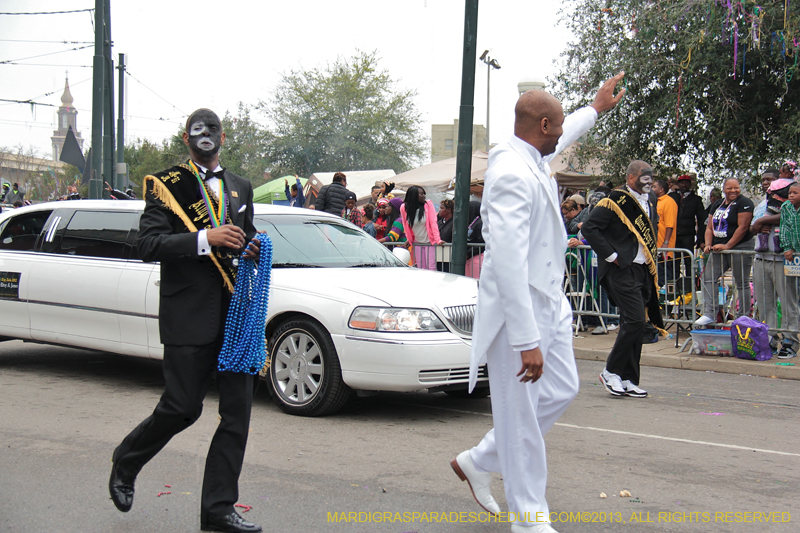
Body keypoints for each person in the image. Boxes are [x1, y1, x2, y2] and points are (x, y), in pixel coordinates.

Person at [451, 72, 625, 533]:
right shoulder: (509, 171)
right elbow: (506, 262)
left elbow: (564, 135)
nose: (562, 133)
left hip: (550, 301)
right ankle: (529, 519)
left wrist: (595, 109)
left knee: (562, 388)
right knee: (521, 418)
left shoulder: (532, 151)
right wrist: (526, 339)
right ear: (543, 125)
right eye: (558, 124)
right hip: (518, 313)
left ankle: (480, 459)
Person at [108, 108, 262, 533]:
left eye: (212, 129)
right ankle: (126, 460)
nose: (205, 134)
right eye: (198, 130)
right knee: (182, 408)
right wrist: (204, 238)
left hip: (235, 318)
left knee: (237, 415)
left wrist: (250, 246)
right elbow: (148, 244)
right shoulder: (165, 185)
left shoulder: (240, 186)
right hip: (188, 315)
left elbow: (244, 235)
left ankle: (218, 509)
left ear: (223, 137)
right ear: (186, 138)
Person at [582, 160, 661, 398]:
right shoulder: (614, 200)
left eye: (650, 178)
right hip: (621, 269)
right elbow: (590, 228)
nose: (648, 182)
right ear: (631, 178)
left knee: (635, 324)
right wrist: (612, 256)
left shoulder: (652, 199)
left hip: (643, 269)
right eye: (644, 177)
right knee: (635, 320)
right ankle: (611, 371)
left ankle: (628, 378)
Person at [694, 178, 755, 326]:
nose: (733, 191)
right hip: (718, 248)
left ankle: (743, 316)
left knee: (741, 282)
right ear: (723, 189)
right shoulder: (717, 204)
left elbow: (743, 227)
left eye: (736, 188)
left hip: (740, 247)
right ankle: (710, 313)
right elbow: (709, 227)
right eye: (729, 188)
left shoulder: (744, 203)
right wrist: (708, 244)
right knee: (708, 278)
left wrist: (728, 245)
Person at [753, 173, 798, 358]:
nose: (768, 186)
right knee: (765, 303)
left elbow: (788, 218)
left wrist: (763, 221)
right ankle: (769, 337)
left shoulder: (791, 205)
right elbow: (752, 228)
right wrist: (758, 225)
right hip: (761, 258)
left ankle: (790, 340)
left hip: (783, 260)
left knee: (788, 302)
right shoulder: (761, 206)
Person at [779, 181, 800, 358]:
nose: (791, 196)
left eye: (795, 193)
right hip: (793, 258)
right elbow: (784, 227)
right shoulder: (786, 207)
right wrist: (787, 247)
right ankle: (791, 337)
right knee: (792, 296)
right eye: (790, 193)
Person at [399, 185, 444, 270]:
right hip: (417, 242)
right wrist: (409, 239)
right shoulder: (404, 208)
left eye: (424, 194)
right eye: (421, 194)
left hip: (429, 241)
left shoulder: (428, 204)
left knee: (431, 267)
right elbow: (405, 225)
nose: (424, 196)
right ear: (414, 195)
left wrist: (437, 240)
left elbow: (433, 223)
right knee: (420, 267)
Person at [668, 174, 705, 255]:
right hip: (673, 233)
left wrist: (700, 238)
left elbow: (701, 219)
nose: (684, 185)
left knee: (688, 257)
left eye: (686, 183)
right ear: (678, 184)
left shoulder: (696, 199)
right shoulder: (672, 196)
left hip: (688, 234)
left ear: (690, 184)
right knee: (674, 258)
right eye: (682, 183)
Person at [652, 179, 678, 284]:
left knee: (664, 277)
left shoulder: (669, 202)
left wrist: (666, 242)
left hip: (664, 248)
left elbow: (670, 225)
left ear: (661, 189)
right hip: (654, 247)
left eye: (654, 187)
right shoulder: (653, 201)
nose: (651, 189)